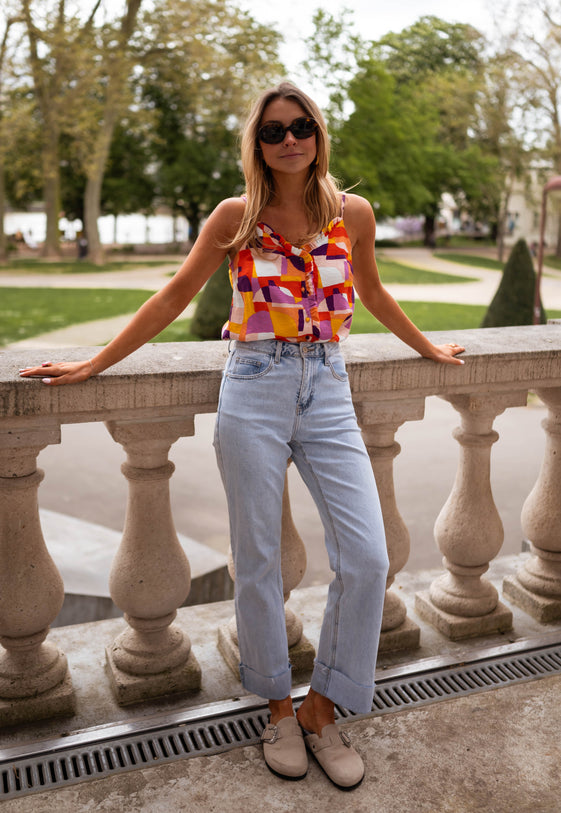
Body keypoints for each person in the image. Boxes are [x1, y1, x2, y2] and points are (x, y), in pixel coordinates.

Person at [20, 81, 464, 790]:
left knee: (368, 556)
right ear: (256, 144)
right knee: (257, 559)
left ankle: (324, 705)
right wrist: (92, 362)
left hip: (327, 386)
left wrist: (429, 349)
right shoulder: (236, 216)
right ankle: (279, 709)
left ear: (318, 135)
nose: (288, 139)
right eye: (272, 131)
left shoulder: (353, 213)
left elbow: (373, 292)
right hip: (253, 386)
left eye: (300, 127)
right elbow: (171, 295)